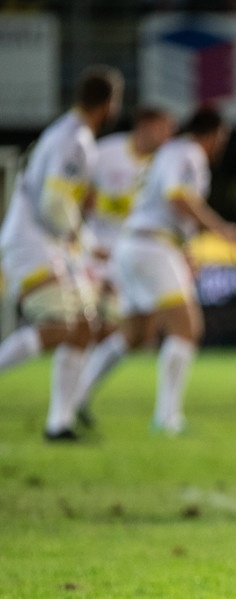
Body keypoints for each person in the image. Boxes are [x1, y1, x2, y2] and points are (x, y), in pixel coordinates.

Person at [71, 107, 236, 436]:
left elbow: (170, 206)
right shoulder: (189, 153)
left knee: (135, 334)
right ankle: (167, 418)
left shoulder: (169, 152)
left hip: (134, 244)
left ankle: (75, 397)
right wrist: (221, 229)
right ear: (216, 134)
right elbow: (178, 197)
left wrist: (186, 249)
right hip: (152, 246)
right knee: (186, 328)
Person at [0, 66, 123, 441]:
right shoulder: (76, 140)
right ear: (109, 103)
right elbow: (54, 202)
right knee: (60, 326)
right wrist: (86, 242)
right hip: (31, 242)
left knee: (84, 326)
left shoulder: (64, 132)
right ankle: (60, 421)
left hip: (47, 242)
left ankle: (60, 424)